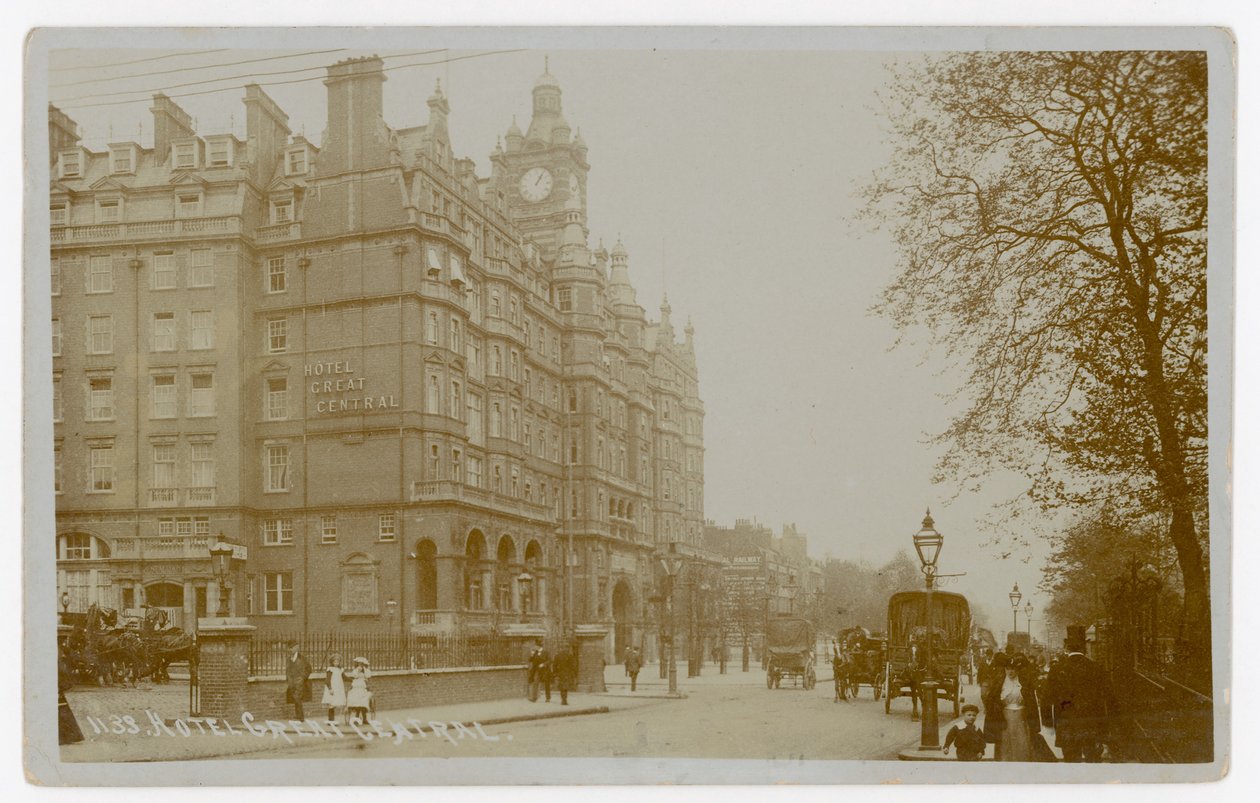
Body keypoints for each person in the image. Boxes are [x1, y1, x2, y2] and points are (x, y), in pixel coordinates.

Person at [1046, 626, 1113, 762]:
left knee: (1071, 760)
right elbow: (1107, 697)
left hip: (1066, 723)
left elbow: (1047, 697)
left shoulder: (1057, 669)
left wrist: (1048, 722)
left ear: (1067, 646)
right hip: (1091, 723)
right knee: (1092, 760)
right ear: (1084, 647)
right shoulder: (1096, 668)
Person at [983, 653, 1045, 761]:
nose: (1010, 672)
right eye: (1008, 669)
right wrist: (1000, 703)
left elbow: (1032, 703)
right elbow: (990, 700)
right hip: (1004, 719)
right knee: (1005, 745)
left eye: (1013, 669)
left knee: (1022, 744)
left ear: (1017, 670)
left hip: (1021, 718)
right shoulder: (999, 683)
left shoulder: (1024, 683)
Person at [285, 641, 312, 721]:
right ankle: (298, 716)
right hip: (291, 682)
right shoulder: (289, 659)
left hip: (300, 682)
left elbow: (309, 669)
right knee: (295, 699)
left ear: (296, 648)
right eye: (289, 648)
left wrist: (303, 678)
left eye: (291, 648)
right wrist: (288, 679)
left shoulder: (302, 658)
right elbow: (288, 670)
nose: (290, 650)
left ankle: (301, 717)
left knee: (297, 698)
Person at [346, 657, 373, 725]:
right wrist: (358, 671)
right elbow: (354, 676)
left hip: (362, 687)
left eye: (362, 664)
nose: (360, 665)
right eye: (359, 664)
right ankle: (357, 718)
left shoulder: (366, 670)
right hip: (355, 687)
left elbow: (368, 676)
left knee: (363, 701)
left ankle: (364, 718)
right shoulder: (355, 670)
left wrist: (363, 671)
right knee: (355, 699)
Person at [321, 653, 347, 724]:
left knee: (335, 703)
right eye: (335, 661)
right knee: (331, 703)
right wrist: (330, 688)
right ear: (332, 662)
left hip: (338, 688)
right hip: (332, 688)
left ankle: (332, 719)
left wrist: (353, 679)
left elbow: (344, 677)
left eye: (338, 661)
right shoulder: (330, 669)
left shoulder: (340, 669)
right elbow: (327, 680)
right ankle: (331, 720)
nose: (336, 663)